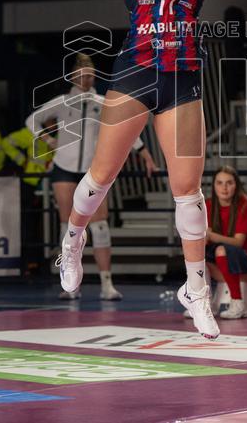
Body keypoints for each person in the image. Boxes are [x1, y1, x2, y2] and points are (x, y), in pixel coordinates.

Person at [58, 0, 247, 339]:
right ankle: (73, 239)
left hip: (182, 80)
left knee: (188, 191)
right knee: (101, 177)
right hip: (136, 74)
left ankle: (197, 290)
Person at [28, 53, 158, 301]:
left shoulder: (103, 102)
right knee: (68, 226)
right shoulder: (63, 102)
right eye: (82, 71)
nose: (86, 76)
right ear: (73, 74)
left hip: (93, 171)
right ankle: (70, 285)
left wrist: (144, 154)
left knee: (99, 226)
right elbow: (32, 120)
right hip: (64, 169)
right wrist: (49, 140)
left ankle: (106, 283)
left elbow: (123, 131)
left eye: (90, 71)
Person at [203, 166, 247, 320]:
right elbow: (206, 237)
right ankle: (204, 303)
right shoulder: (209, 205)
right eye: (220, 183)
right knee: (196, 256)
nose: (224, 187)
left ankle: (237, 304)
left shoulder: (244, 204)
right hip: (222, 265)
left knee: (222, 251)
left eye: (229, 183)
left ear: (236, 185)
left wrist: (211, 235)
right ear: (214, 185)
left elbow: (238, 242)